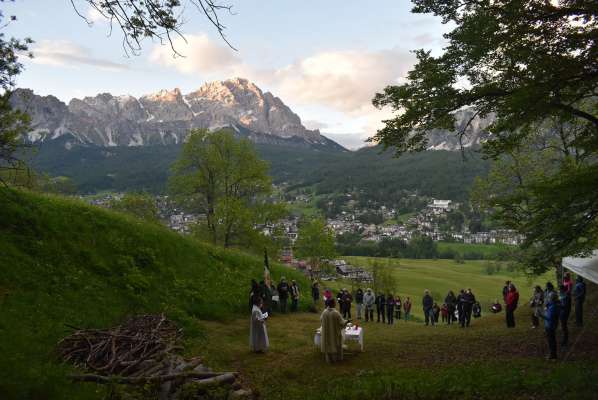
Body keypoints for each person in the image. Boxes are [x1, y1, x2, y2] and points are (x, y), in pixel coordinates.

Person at [320, 298, 348, 363]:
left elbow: (321, 320)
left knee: (327, 345)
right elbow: (342, 323)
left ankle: (328, 360)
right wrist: (347, 321)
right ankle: (335, 359)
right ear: (333, 304)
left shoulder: (324, 312)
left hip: (326, 332)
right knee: (335, 345)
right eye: (335, 303)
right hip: (334, 333)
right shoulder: (336, 313)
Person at [541, 292, 561, 360]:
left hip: (550, 325)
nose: (548, 299)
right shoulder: (555, 304)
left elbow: (549, 318)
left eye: (549, 297)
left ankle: (553, 355)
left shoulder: (553, 307)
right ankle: (553, 354)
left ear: (552, 298)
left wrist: (541, 315)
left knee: (551, 341)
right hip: (552, 325)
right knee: (552, 340)